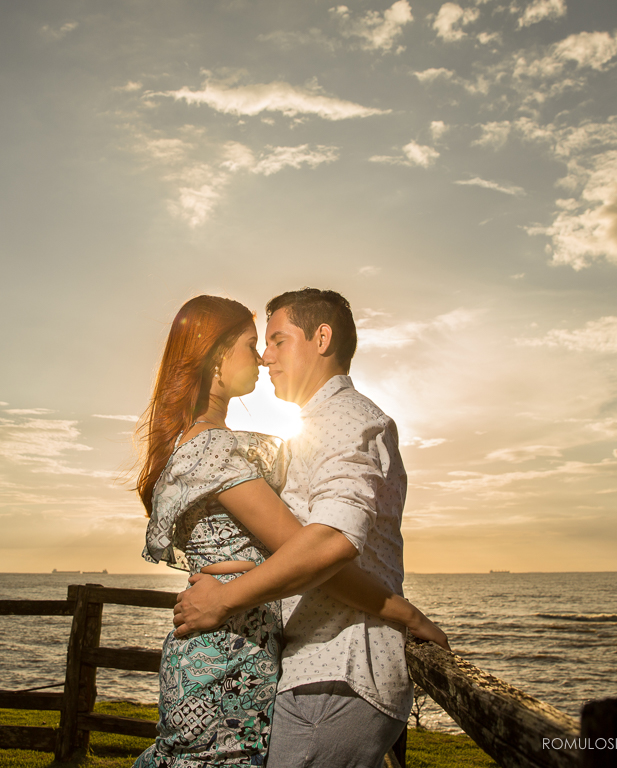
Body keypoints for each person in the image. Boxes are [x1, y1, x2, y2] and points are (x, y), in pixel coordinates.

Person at [132, 295, 446, 768]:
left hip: (296, 661)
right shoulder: (215, 446)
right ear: (216, 355)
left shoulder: (337, 421)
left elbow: (327, 543)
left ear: (322, 338)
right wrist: (404, 614)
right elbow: (312, 545)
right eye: (256, 343)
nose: (263, 356)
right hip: (232, 660)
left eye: (275, 340)